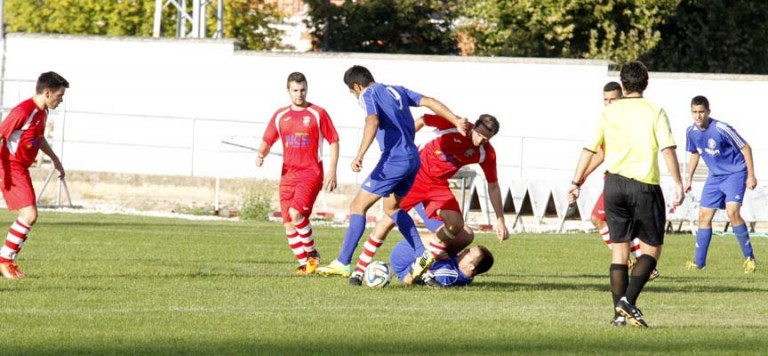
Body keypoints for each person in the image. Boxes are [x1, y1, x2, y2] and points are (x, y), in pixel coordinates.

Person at [316, 65, 468, 282]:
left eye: (353, 93)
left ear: (357, 86)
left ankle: (343, 262)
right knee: (392, 208)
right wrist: (456, 120)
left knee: (357, 206)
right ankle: (420, 254)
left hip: (394, 160)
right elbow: (431, 102)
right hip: (413, 160)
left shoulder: (368, 94)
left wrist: (359, 154)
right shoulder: (397, 90)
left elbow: (372, 120)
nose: (355, 97)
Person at [568, 61, 684, 328]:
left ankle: (618, 317)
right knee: (651, 249)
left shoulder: (609, 112)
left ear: (622, 85)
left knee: (619, 251)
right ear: (646, 83)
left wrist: (576, 181)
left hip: (614, 185)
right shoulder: (655, 111)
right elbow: (667, 149)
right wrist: (678, 183)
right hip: (644, 185)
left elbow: (589, 148)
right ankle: (627, 301)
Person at [344, 113, 509, 284]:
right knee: (387, 221)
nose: (481, 141)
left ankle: (422, 266)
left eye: (486, 139)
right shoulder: (455, 124)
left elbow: (493, 185)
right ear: (474, 126)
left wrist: (500, 219)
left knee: (457, 224)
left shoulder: (486, 152)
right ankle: (359, 270)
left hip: (438, 185)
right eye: (480, 135)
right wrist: (402, 145)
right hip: (414, 177)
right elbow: (423, 119)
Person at [256, 72, 340, 275]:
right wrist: (261, 154)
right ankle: (306, 265)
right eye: (295, 90)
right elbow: (268, 140)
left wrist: (332, 170)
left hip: (310, 173)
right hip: (287, 176)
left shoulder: (318, 113)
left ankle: (312, 254)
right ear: (288, 91)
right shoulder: (280, 116)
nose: (299, 94)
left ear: (307, 89)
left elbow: (334, 140)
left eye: (302, 90)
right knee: (288, 225)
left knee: (296, 214)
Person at [578, 82, 660, 280]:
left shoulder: (623, 119)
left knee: (605, 221)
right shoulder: (611, 118)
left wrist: (582, 175)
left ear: (622, 97)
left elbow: (600, 151)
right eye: (605, 100)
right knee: (603, 221)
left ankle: (640, 263)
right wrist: (584, 175)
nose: (608, 103)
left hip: (625, 179)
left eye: (612, 99)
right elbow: (601, 150)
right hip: (618, 180)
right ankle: (636, 262)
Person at [0, 71, 69, 279]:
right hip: (10, 166)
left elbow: (38, 138)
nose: (61, 100)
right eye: (59, 95)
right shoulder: (23, 111)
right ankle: (5, 261)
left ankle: (5, 261)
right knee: (29, 215)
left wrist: (55, 159)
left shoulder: (42, 112)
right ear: (47, 92)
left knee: (29, 216)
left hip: (20, 167)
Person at [683, 95, 758, 273]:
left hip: (735, 173)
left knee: (732, 213)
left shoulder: (721, 128)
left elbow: (745, 147)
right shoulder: (691, 131)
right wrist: (689, 178)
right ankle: (699, 263)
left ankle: (750, 259)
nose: (698, 116)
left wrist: (751, 175)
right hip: (715, 176)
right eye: (695, 112)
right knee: (704, 216)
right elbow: (695, 152)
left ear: (709, 111)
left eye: (701, 112)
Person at [389, 226, 494, 287]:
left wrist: (434, 255)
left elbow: (416, 276)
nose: (465, 250)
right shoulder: (462, 270)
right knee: (465, 233)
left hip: (404, 262)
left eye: (468, 253)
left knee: (452, 233)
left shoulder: (448, 275)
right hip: (410, 257)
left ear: (471, 266)